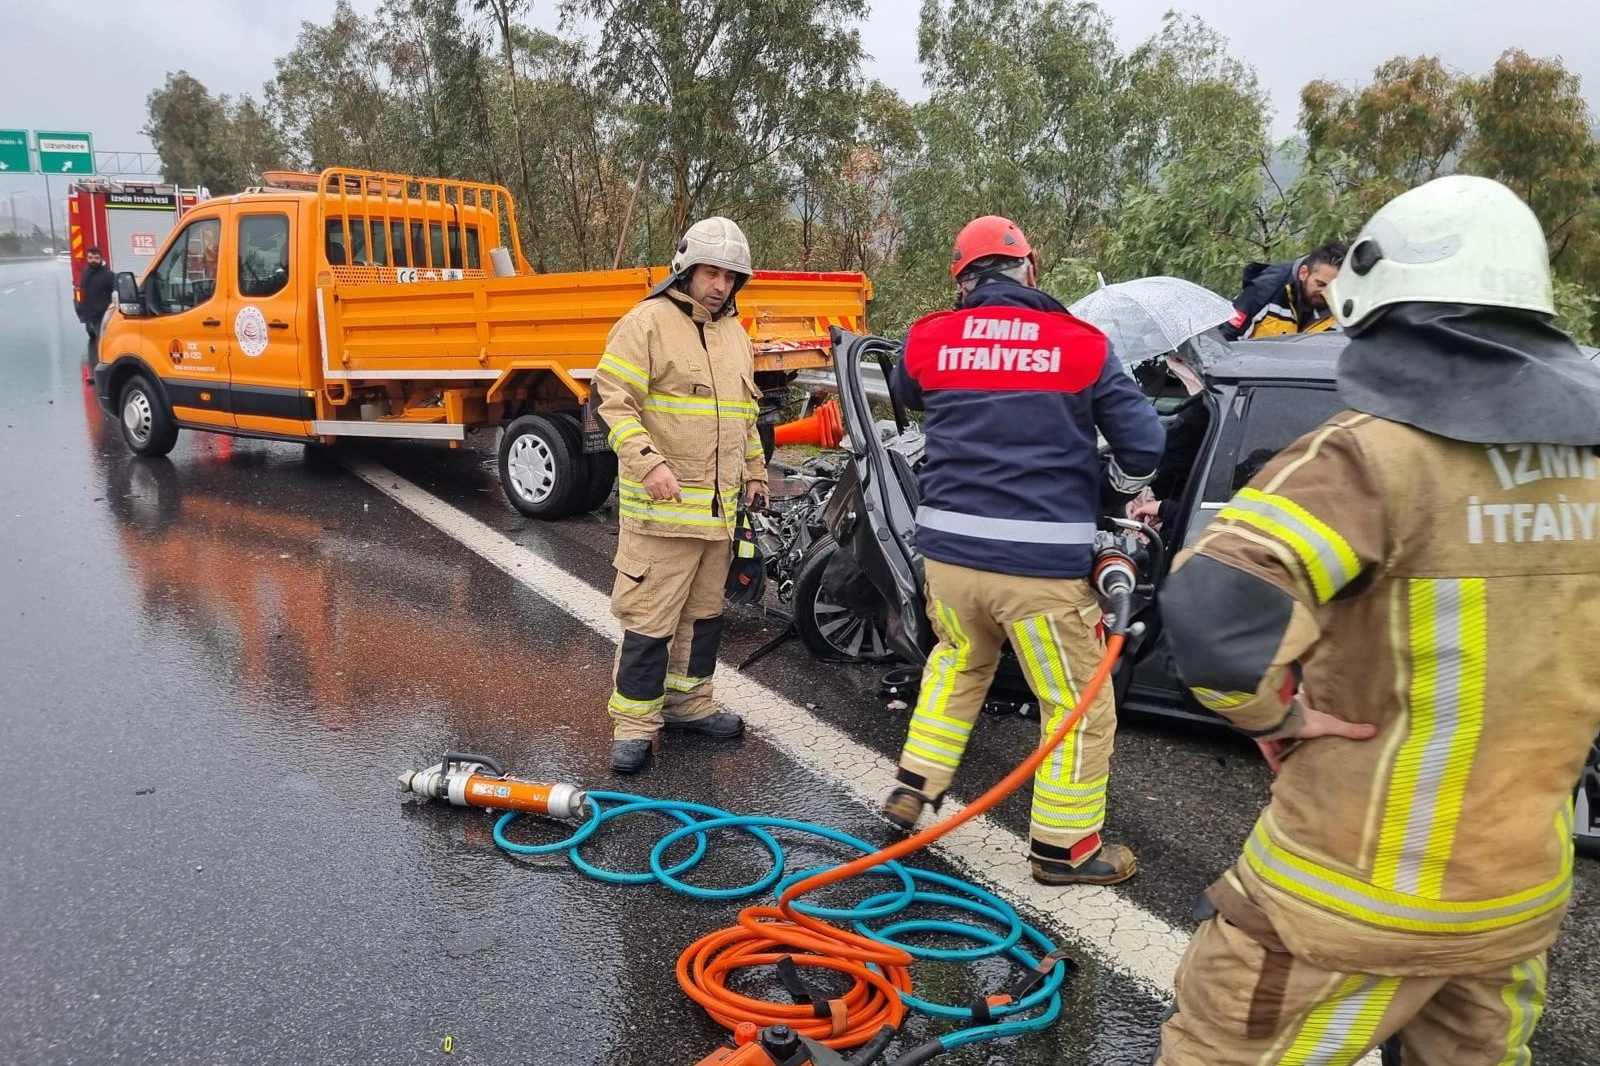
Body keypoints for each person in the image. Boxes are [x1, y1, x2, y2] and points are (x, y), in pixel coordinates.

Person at [1154, 175, 1600, 1064]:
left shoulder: (1366, 453)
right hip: (1513, 902)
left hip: (1343, 897)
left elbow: (1215, 608)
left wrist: (1271, 715)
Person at [880, 215, 1165, 885]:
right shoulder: (1081, 344)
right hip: (1039, 573)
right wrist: (1111, 485)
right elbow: (1145, 446)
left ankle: (913, 789)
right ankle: (1063, 851)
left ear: (962, 281)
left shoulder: (929, 337)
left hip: (949, 563)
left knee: (956, 666)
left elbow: (905, 392)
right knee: (1073, 703)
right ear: (1030, 270)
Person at [589, 217, 768, 774]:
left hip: (717, 518)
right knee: (649, 623)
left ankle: (689, 707)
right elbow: (612, 402)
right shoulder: (646, 322)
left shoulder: (734, 334)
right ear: (686, 270)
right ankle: (635, 727)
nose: (720, 285)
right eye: (711, 272)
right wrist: (648, 466)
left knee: (704, 618)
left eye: (729, 276)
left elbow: (746, 415)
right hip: (661, 515)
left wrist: (757, 472)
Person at [1220, 241, 1347, 340]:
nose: (1326, 292)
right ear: (1304, 273)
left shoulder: (1347, 307)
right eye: (1320, 284)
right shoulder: (1265, 290)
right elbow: (1225, 335)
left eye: (1334, 288)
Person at [75, 247, 115, 364]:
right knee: (99, 342)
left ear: (101, 259)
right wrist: (82, 310)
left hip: (103, 316)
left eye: (96, 258)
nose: (93, 260)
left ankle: (101, 369)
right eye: (90, 258)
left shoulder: (108, 275)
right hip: (90, 315)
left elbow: (115, 293)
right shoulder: (85, 273)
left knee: (102, 343)